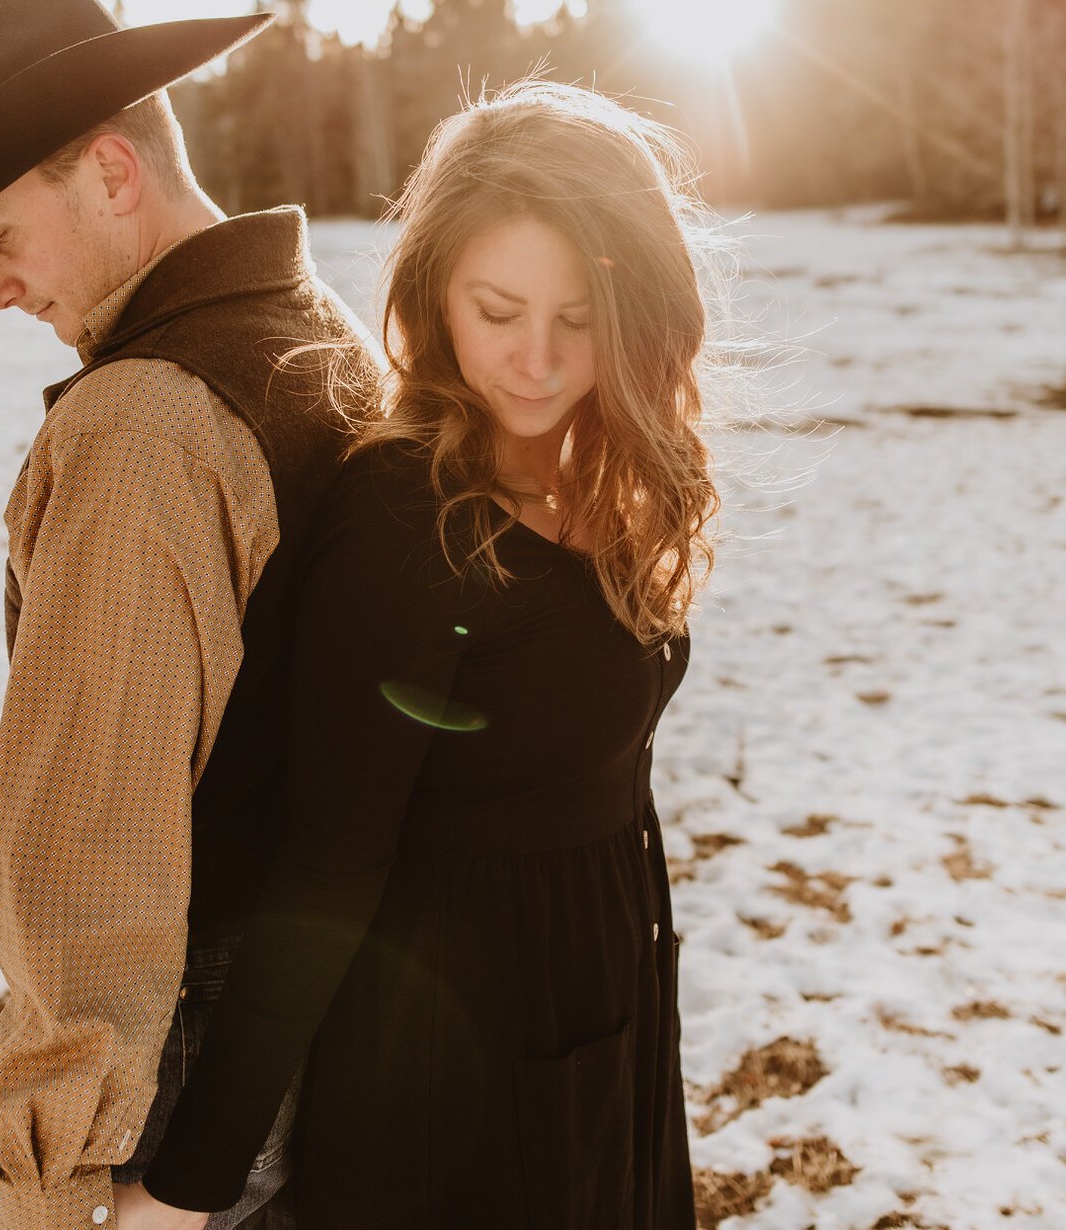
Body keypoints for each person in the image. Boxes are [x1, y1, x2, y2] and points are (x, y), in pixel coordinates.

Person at [122, 78, 725, 1230]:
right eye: (498, 309)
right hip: (454, 1079)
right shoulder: (409, 516)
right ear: (433, 290)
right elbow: (330, 859)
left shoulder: (603, 464)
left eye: (580, 318)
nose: (538, 360)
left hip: (604, 1020)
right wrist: (190, 1181)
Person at [0, 0, 382, 1230]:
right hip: (323, 1015)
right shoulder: (315, 328)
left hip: (177, 1075)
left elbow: (91, 859)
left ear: (112, 172)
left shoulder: (142, 424)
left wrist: (54, 1186)